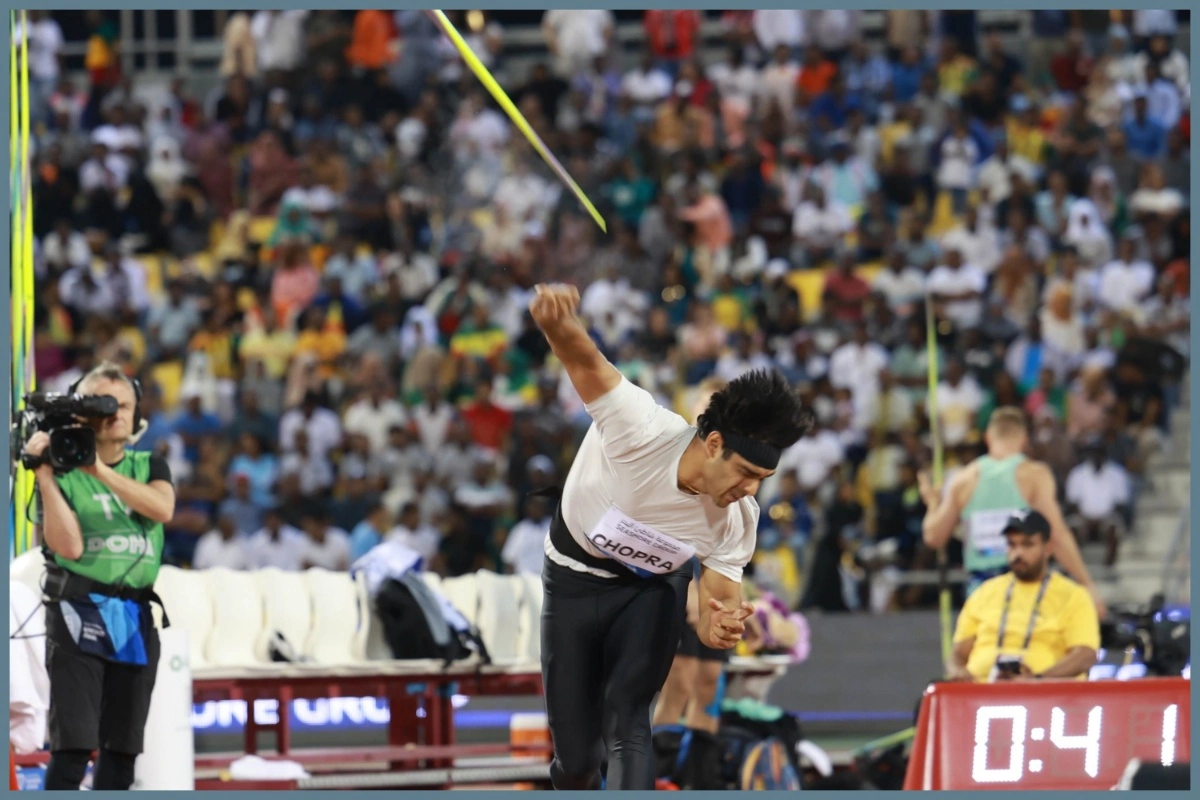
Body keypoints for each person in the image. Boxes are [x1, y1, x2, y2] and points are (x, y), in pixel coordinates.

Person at [528, 283, 812, 790]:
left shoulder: (736, 517)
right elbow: (587, 362)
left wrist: (721, 626)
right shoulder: (642, 428)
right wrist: (556, 322)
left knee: (628, 721)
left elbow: (716, 610)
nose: (750, 490)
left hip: (652, 590)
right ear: (714, 443)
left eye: (761, 482)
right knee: (574, 760)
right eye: (745, 472)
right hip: (572, 581)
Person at [22, 363, 176, 790]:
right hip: (76, 610)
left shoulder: (150, 463)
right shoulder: (62, 475)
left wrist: (98, 470)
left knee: (121, 752)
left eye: (124, 404)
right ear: (82, 414)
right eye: (104, 405)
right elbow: (68, 548)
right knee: (72, 749)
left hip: (135, 615)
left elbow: (162, 510)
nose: (116, 414)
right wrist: (46, 478)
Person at [918, 406, 1105, 616]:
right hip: (1023, 586)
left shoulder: (963, 480)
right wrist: (1087, 584)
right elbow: (1057, 535)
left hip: (981, 592)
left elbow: (934, 537)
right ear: (1024, 440)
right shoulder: (1033, 475)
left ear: (988, 438)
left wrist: (933, 504)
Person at [650, 378, 732, 790]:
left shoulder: (735, 458)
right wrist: (683, 585)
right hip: (677, 577)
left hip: (714, 581)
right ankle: (659, 777)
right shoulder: (679, 450)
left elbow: (733, 532)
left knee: (708, 683)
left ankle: (702, 781)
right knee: (679, 681)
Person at [947, 509, 1100, 682]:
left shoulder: (1073, 595)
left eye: (1027, 544)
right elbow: (958, 653)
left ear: (1047, 548)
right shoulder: (985, 592)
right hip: (981, 690)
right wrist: (958, 672)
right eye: (1012, 545)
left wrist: (1037, 680)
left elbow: (1085, 655)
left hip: (1044, 694)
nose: (1018, 553)